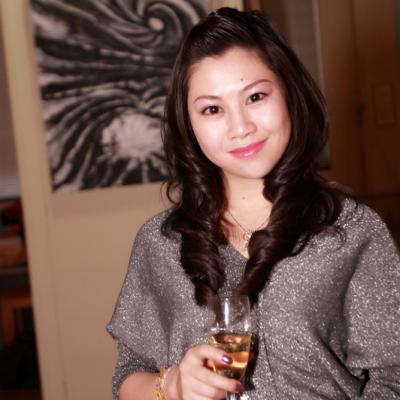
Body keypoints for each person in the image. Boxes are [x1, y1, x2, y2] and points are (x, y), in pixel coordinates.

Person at [107, 7, 400, 400]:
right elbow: (129, 377)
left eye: (256, 97)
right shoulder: (160, 243)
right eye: (213, 109)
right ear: (189, 124)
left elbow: (394, 376)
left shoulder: (351, 229)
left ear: (289, 94)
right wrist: (172, 386)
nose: (241, 127)